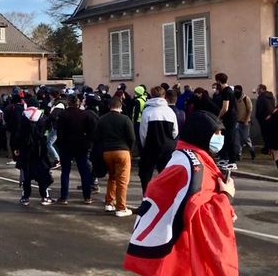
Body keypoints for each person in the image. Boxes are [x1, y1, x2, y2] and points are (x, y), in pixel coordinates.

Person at [124, 110, 238, 275]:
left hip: (177, 248)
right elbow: (202, 216)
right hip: (186, 250)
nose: (220, 137)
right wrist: (226, 197)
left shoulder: (185, 157)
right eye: (216, 132)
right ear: (202, 134)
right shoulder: (195, 168)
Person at [94, 97, 135, 217]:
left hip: (107, 152)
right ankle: (121, 207)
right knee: (122, 180)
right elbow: (131, 138)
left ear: (109, 106)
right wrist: (130, 150)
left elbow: (97, 137)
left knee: (112, 177)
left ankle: (109, 203)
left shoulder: (102, 119)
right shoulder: (125, 119)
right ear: (120, 107)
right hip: (122, 151)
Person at [138, 86, 178, 194]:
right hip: (167, 147)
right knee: (165, 174)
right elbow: (175, 132)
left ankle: (147, 198)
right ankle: (165, 200)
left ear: (151, 95)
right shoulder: (170, 111)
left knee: (145, 175)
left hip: (151, 146)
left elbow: (143, 133)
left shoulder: (147, 111)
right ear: (164, 96)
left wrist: (144, 146)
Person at [15, 97, 54, 206]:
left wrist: (16, 148)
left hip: (25, 150)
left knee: (26, 175)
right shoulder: (41, 116)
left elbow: (19, 134)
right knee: (42, 174)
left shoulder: (23, 116)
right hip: (39, 150)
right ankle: (44, 196)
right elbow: (45, 132)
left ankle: (25, 197)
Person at [56, 94, 93, 204]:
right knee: (84, 171)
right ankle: (87, 197)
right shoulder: (84, 114)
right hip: (81, 145)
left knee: (65, 171)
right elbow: (91, 131)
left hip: (66, 145)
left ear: (68, 102)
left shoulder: (63, 115)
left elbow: (59, 132)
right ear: (78, 102)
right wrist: (88, 143)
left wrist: (60, 144)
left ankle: (64, 197)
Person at [215, 73, 238, 167]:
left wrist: (218, 117)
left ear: (218, 81)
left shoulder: (226, 91)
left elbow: (225, 108)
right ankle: (226, 158)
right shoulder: (229, 90)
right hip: (231, 117)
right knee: (226, 138)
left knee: (230, 138)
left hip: (230, 118)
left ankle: (232, 161)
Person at [234, 85, 255, 160]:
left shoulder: (246, 98)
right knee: (237, 138)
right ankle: (238, 154)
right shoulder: (235, 99)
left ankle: (251, 149)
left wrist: (246, 120)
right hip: (237, 122)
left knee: (246, 138)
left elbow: (250, 110)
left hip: (245, 122)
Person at [3, 94, 25, 165]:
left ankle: (15, 158)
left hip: (15, 129)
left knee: (13, 144)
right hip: (21, 129)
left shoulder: (15, 108)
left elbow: (16, 119)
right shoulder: (22, 107)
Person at [46, 90, 64, 169]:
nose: (49, 96)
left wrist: (50, 116)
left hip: (56, 127)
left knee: (49, 144)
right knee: (53, 143)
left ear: (52, 96)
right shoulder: (56, 103)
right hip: (55, 127)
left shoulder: (58, 105)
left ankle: (57, 159)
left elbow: (53, 116)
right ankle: (58, 159)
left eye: (50, 95)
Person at [255, 84, 275, 155]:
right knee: (269, 135)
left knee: (266, 135)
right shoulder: (270, 96)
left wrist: (259, 116)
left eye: (258, 89)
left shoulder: (262, 97)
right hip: (270, 119)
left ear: (261, 89)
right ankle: (268, 148)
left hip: (264, 119)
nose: (257, 90)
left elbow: (262, 108)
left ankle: (268, 149)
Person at [132, 85, 147, 151]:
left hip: (138, 121)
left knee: (138, 137)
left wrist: (134, 121)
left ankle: (138, 151)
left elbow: (136, 113)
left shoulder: (138, 101)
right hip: (143, 120)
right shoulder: (145, 98)